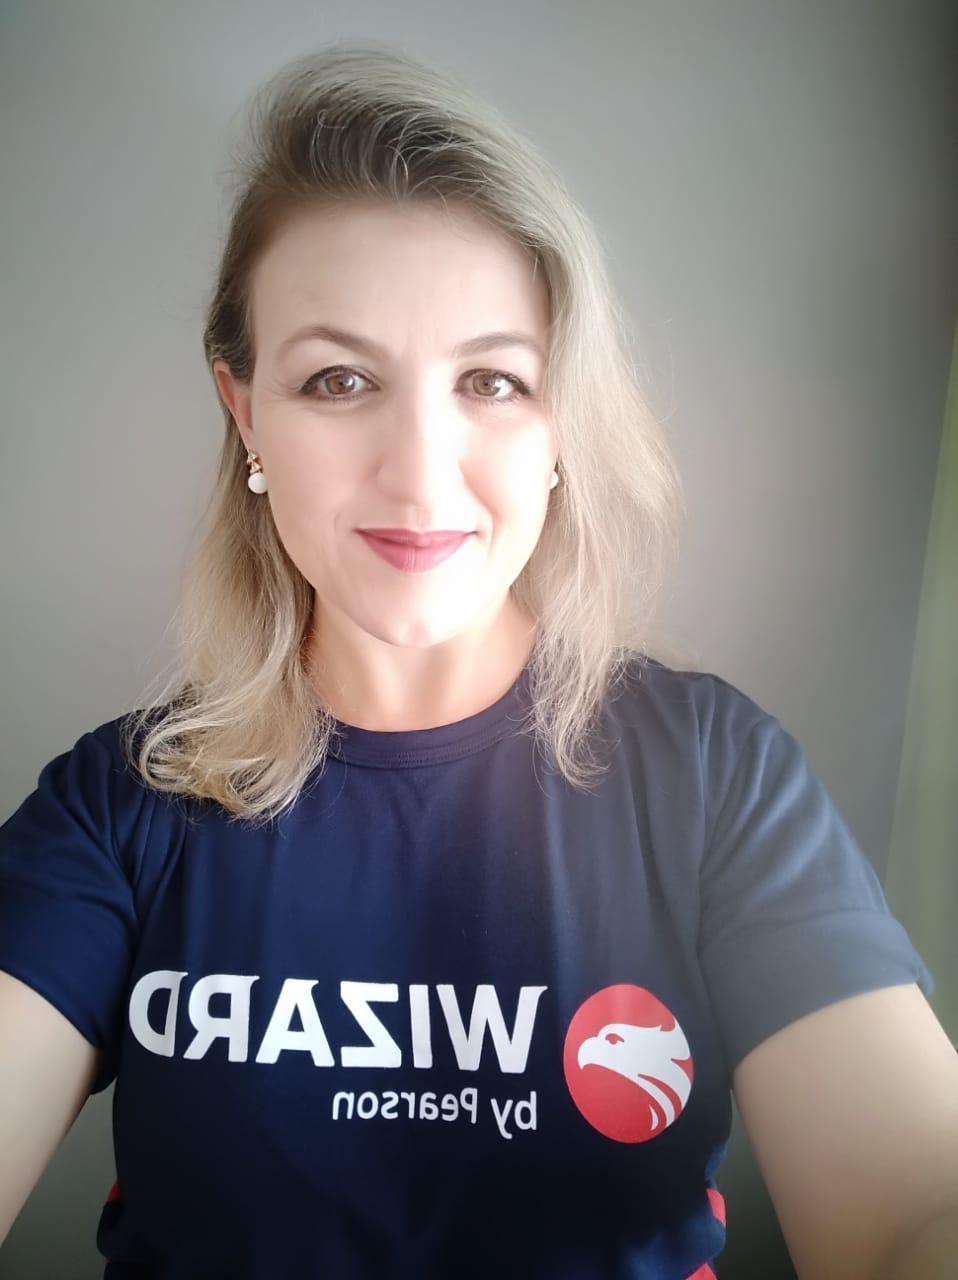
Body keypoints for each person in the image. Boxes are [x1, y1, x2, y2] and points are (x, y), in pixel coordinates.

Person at [1, 41, 956, 1280]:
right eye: (339, 378)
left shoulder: (713, 776)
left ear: (561, 422)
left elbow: (909, 1207)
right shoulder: (125, 805)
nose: (419, 471)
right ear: (246, 413)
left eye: (493, 381)